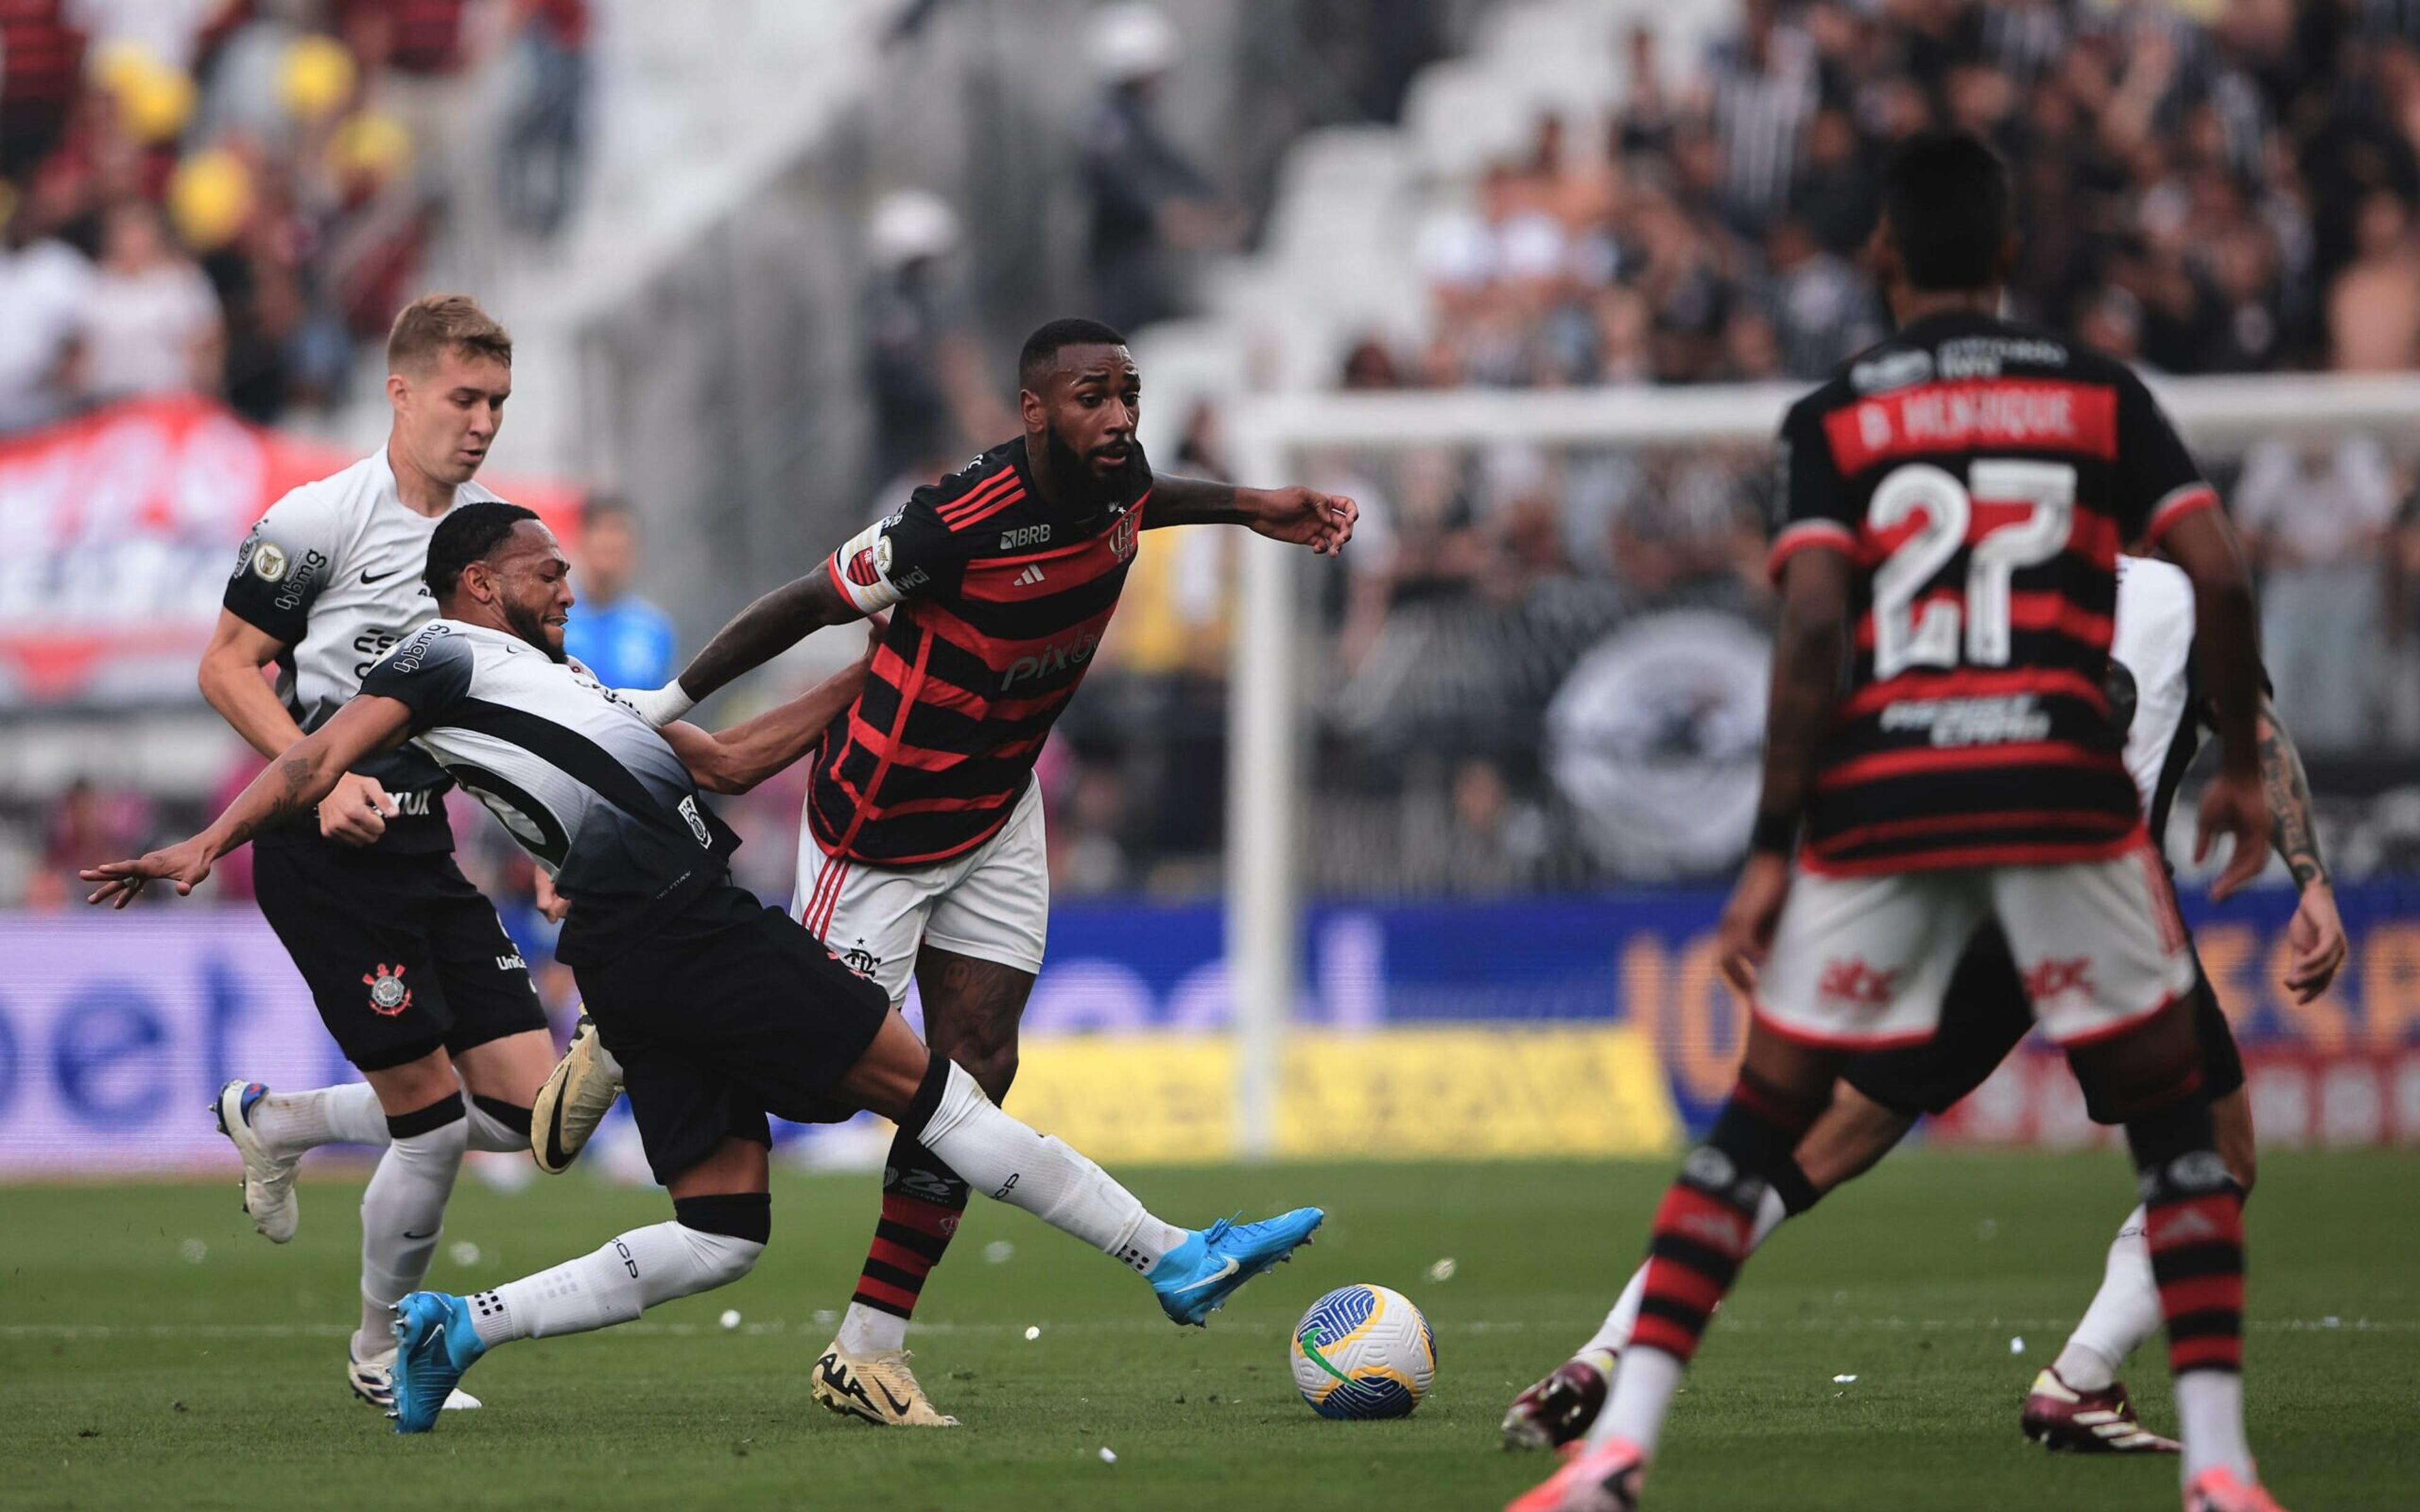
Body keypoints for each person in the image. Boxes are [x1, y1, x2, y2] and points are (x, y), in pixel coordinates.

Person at [82, 502, 1325, 1435]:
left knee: (724, 1230)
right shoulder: (437, 659)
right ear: (478, 581)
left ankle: (458, 1328)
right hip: (683, 929)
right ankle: (1171, 1252)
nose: (567, 580)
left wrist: (881, 667)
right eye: (543, 566)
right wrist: (208, 840)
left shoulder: (573, 686)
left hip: (642, 950)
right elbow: (312, 759)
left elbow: (729, 762)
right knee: (935, 1092)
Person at [1511, 132, 2286, 1512]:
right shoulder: (2093, 396)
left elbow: (1811, 625)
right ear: (2006, 256)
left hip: (1899, 811)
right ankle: (2221, 1474)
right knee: (2187, 1143)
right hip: (2064, 810)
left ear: (1880, 258)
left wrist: (1768, 850)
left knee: (1760, 1126)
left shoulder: (1840, 416)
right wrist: (2237, 775)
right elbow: (2216, 570)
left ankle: (1616, 1451)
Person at [538, 316, 1357, 1427]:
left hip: (1000, 807)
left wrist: (1256, 508)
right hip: (880, 821)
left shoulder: (1120, 476)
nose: (1117, 417)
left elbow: (1142, 499)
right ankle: (638, 1026)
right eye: (1090, 398)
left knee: (978, 1069)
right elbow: (806, 599)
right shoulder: (953, 521)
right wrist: (670, 711)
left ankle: (870, 1347)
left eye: (1128, 393)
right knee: (826, 1087)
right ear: (1033, 412)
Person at [1501, 553, 2346, 1458]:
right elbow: (2252, 731)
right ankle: (2082, 1380)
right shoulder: (2177, 595)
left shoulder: (1983, 588)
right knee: (2218, 1158)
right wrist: (2312, 881)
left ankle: (1606, 1351)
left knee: (1813, 1144)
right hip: (2101, 893)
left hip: (1966, 884)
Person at [192, 293, 558, 1414]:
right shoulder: (318, 519)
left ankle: (284, 1121)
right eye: (464, 397)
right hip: (321, 848)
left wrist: (553, 839)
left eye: (498, 399)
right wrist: (321, 769)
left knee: (532, 1116)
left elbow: (535, 707)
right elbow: (225, 666)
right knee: (434, 1125)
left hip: (427, 850)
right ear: (400, 392)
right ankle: (382, 1354)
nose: (484, 420)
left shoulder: (503, 541)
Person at [560, 498, 675, 689]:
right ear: (581, 542)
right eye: (604, 539)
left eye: (620, 545)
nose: (612, 543)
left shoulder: (655, 629)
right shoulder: (553, 619)